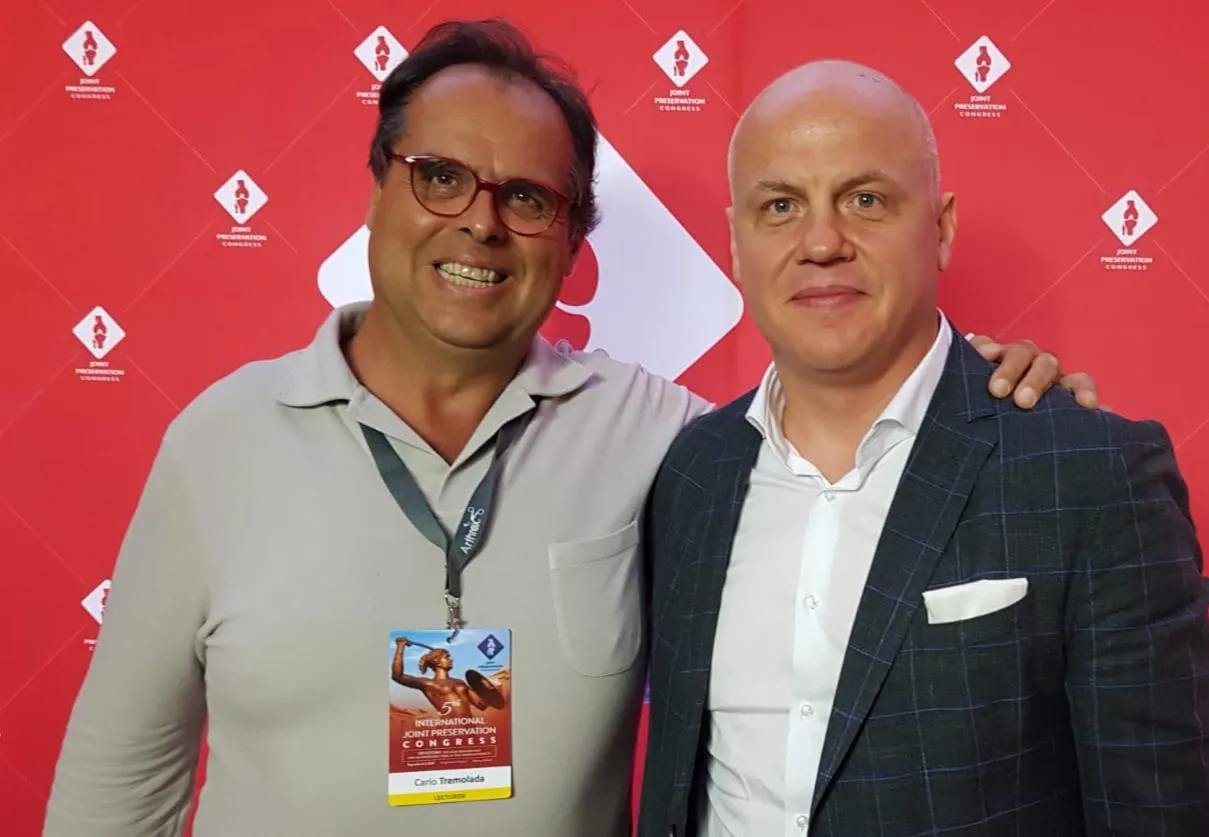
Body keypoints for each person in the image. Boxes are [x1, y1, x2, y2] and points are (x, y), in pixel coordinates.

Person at [42, 19, 1099, 837]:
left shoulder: (665, 439)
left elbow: (842, 441)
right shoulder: (218, 443)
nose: (479, 222)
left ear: (572, 238)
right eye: (440, 178)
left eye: (527, 197)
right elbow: (118, 785)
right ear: (377, 189)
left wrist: (989, 396)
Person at [637, 60, 1209, 836]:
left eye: (865, 199)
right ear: (735, 243)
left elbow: (1160, 813)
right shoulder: (690, 472)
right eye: (780, 206)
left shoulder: (1089, 474)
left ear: (941, 228)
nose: (821, 241)